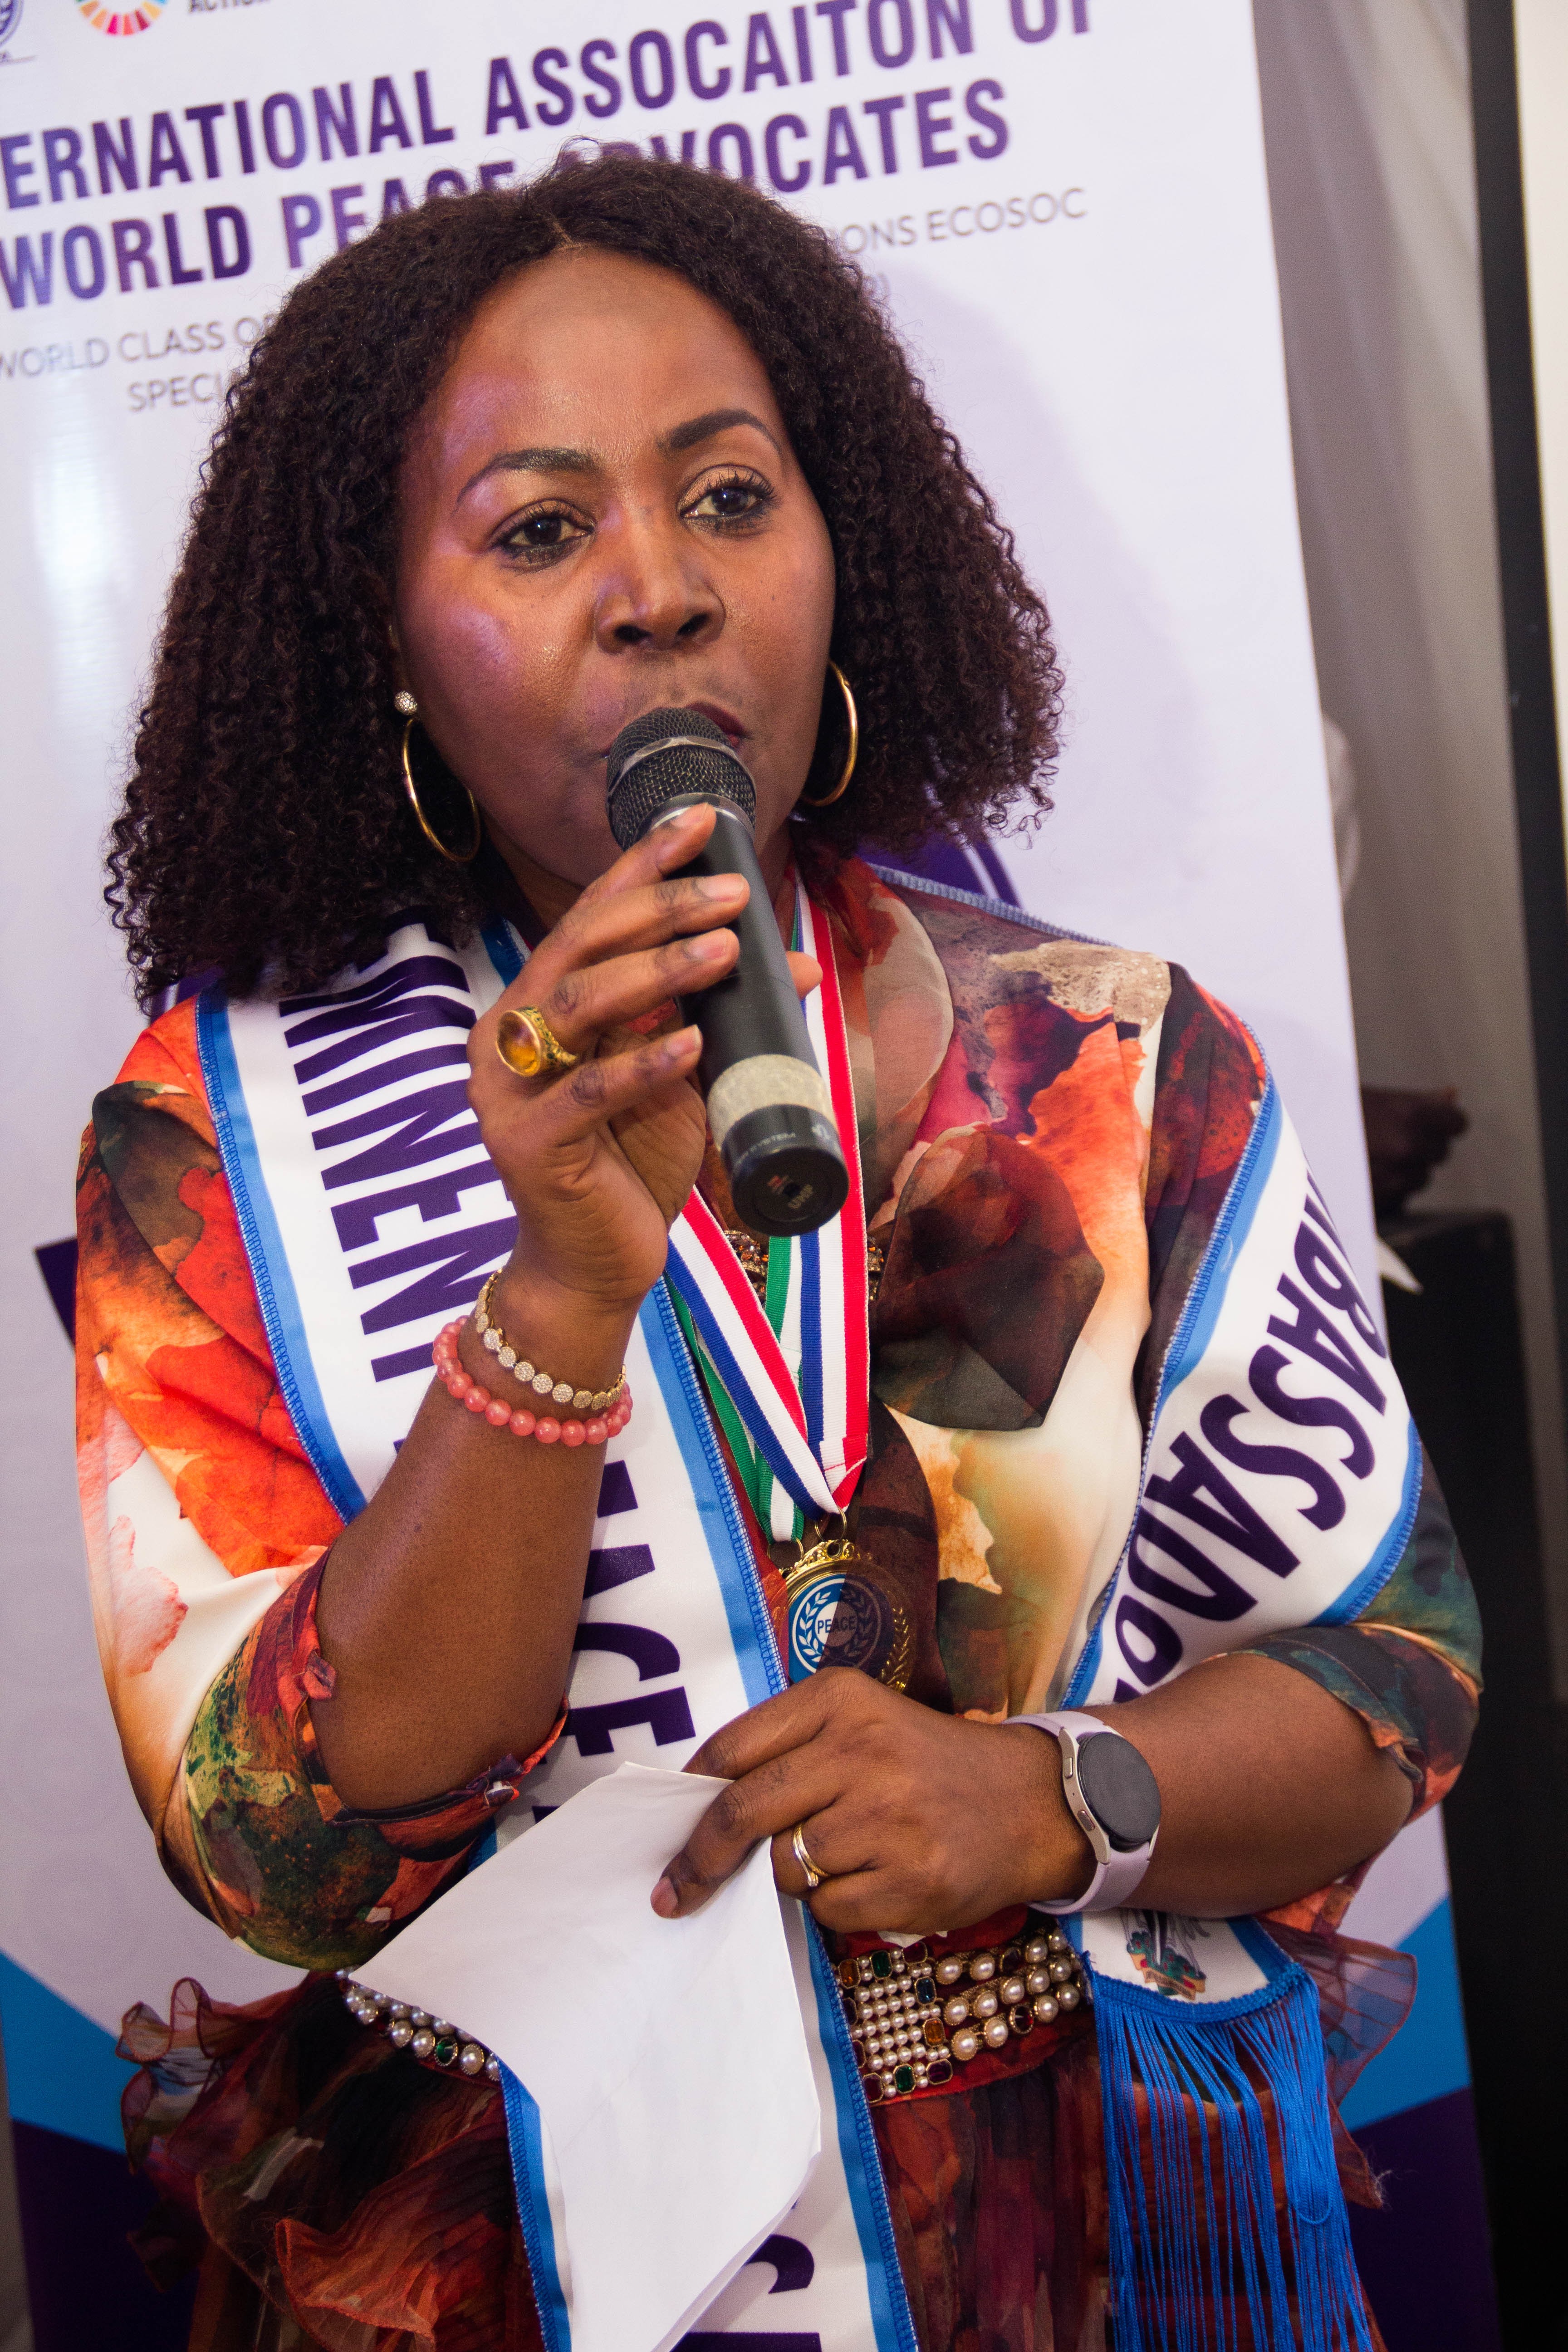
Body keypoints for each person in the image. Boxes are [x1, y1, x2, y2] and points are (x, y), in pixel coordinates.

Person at [78, 154, 1478, 2352]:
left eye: (730, 497)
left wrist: (1052, 1797)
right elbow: (283, 1854)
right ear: (387, 650)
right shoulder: (215, 1141)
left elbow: (1397, 1674)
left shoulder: (1106, 1063)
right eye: (540, 531)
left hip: (1084, 2246)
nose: (661, 590)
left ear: (848, 545)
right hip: (540, 2266)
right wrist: (560, 1294)